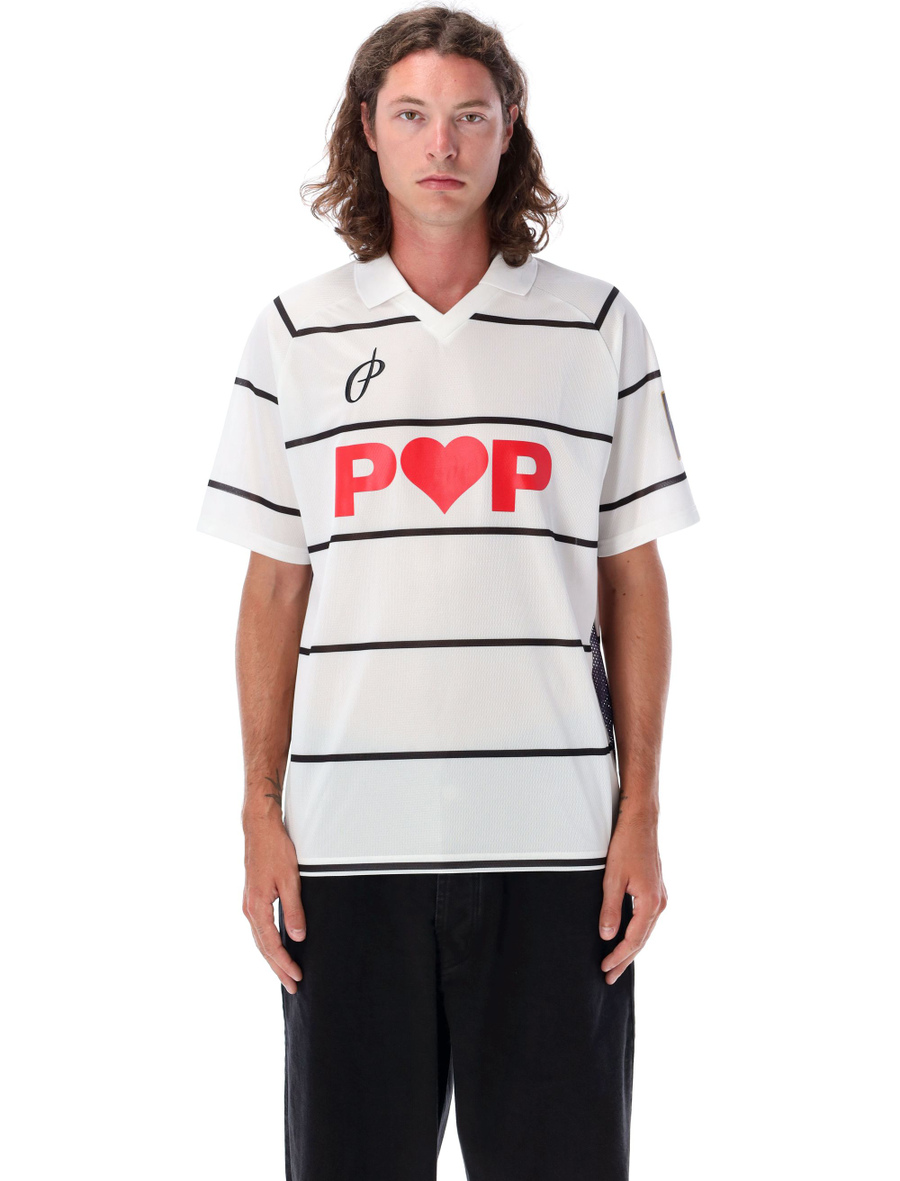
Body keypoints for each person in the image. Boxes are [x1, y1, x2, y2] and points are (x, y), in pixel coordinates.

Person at [196, 6, 700, 1179]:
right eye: (414, 114)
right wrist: (259, 813)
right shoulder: (293, 332)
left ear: (508, 129)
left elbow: (632, 577)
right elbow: (274, 592)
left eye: (471, 116)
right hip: (344, 850)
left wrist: (640, 811)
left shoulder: (597, 325)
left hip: (558, 851)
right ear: (367, 129)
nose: (442, 143)